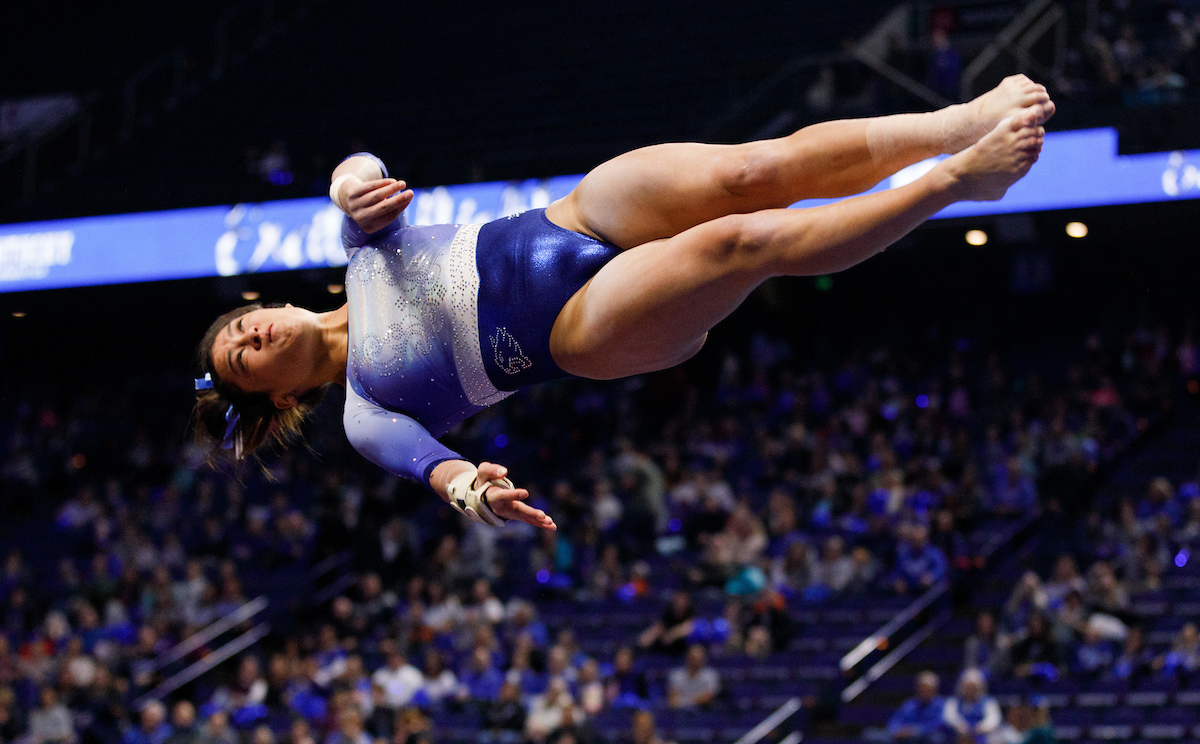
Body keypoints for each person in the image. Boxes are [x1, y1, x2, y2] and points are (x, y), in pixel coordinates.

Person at [194, 77, 1053, 528]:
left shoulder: (361, 250)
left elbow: (359, 170)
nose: (251, 333)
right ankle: (954, 180)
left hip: (571, 218)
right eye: (244, 358)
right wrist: (476, 494)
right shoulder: (364, 411)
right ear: (280, 394)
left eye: (239, 326)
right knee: (741, 240)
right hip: (579, 328)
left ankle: (956, 123)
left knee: (752, 171)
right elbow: (436, 469)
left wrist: (349, 186)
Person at [887, 671, 948, 744]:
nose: (925, 692)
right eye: (922, 689)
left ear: (935, 689)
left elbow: (938, 724)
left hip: (926, 740)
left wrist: (914, 731)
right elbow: (894, 722)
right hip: (904, 739)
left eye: (928, 689)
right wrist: (897, 730)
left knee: (936, 738)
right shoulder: (909, 704)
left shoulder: (941, 705)